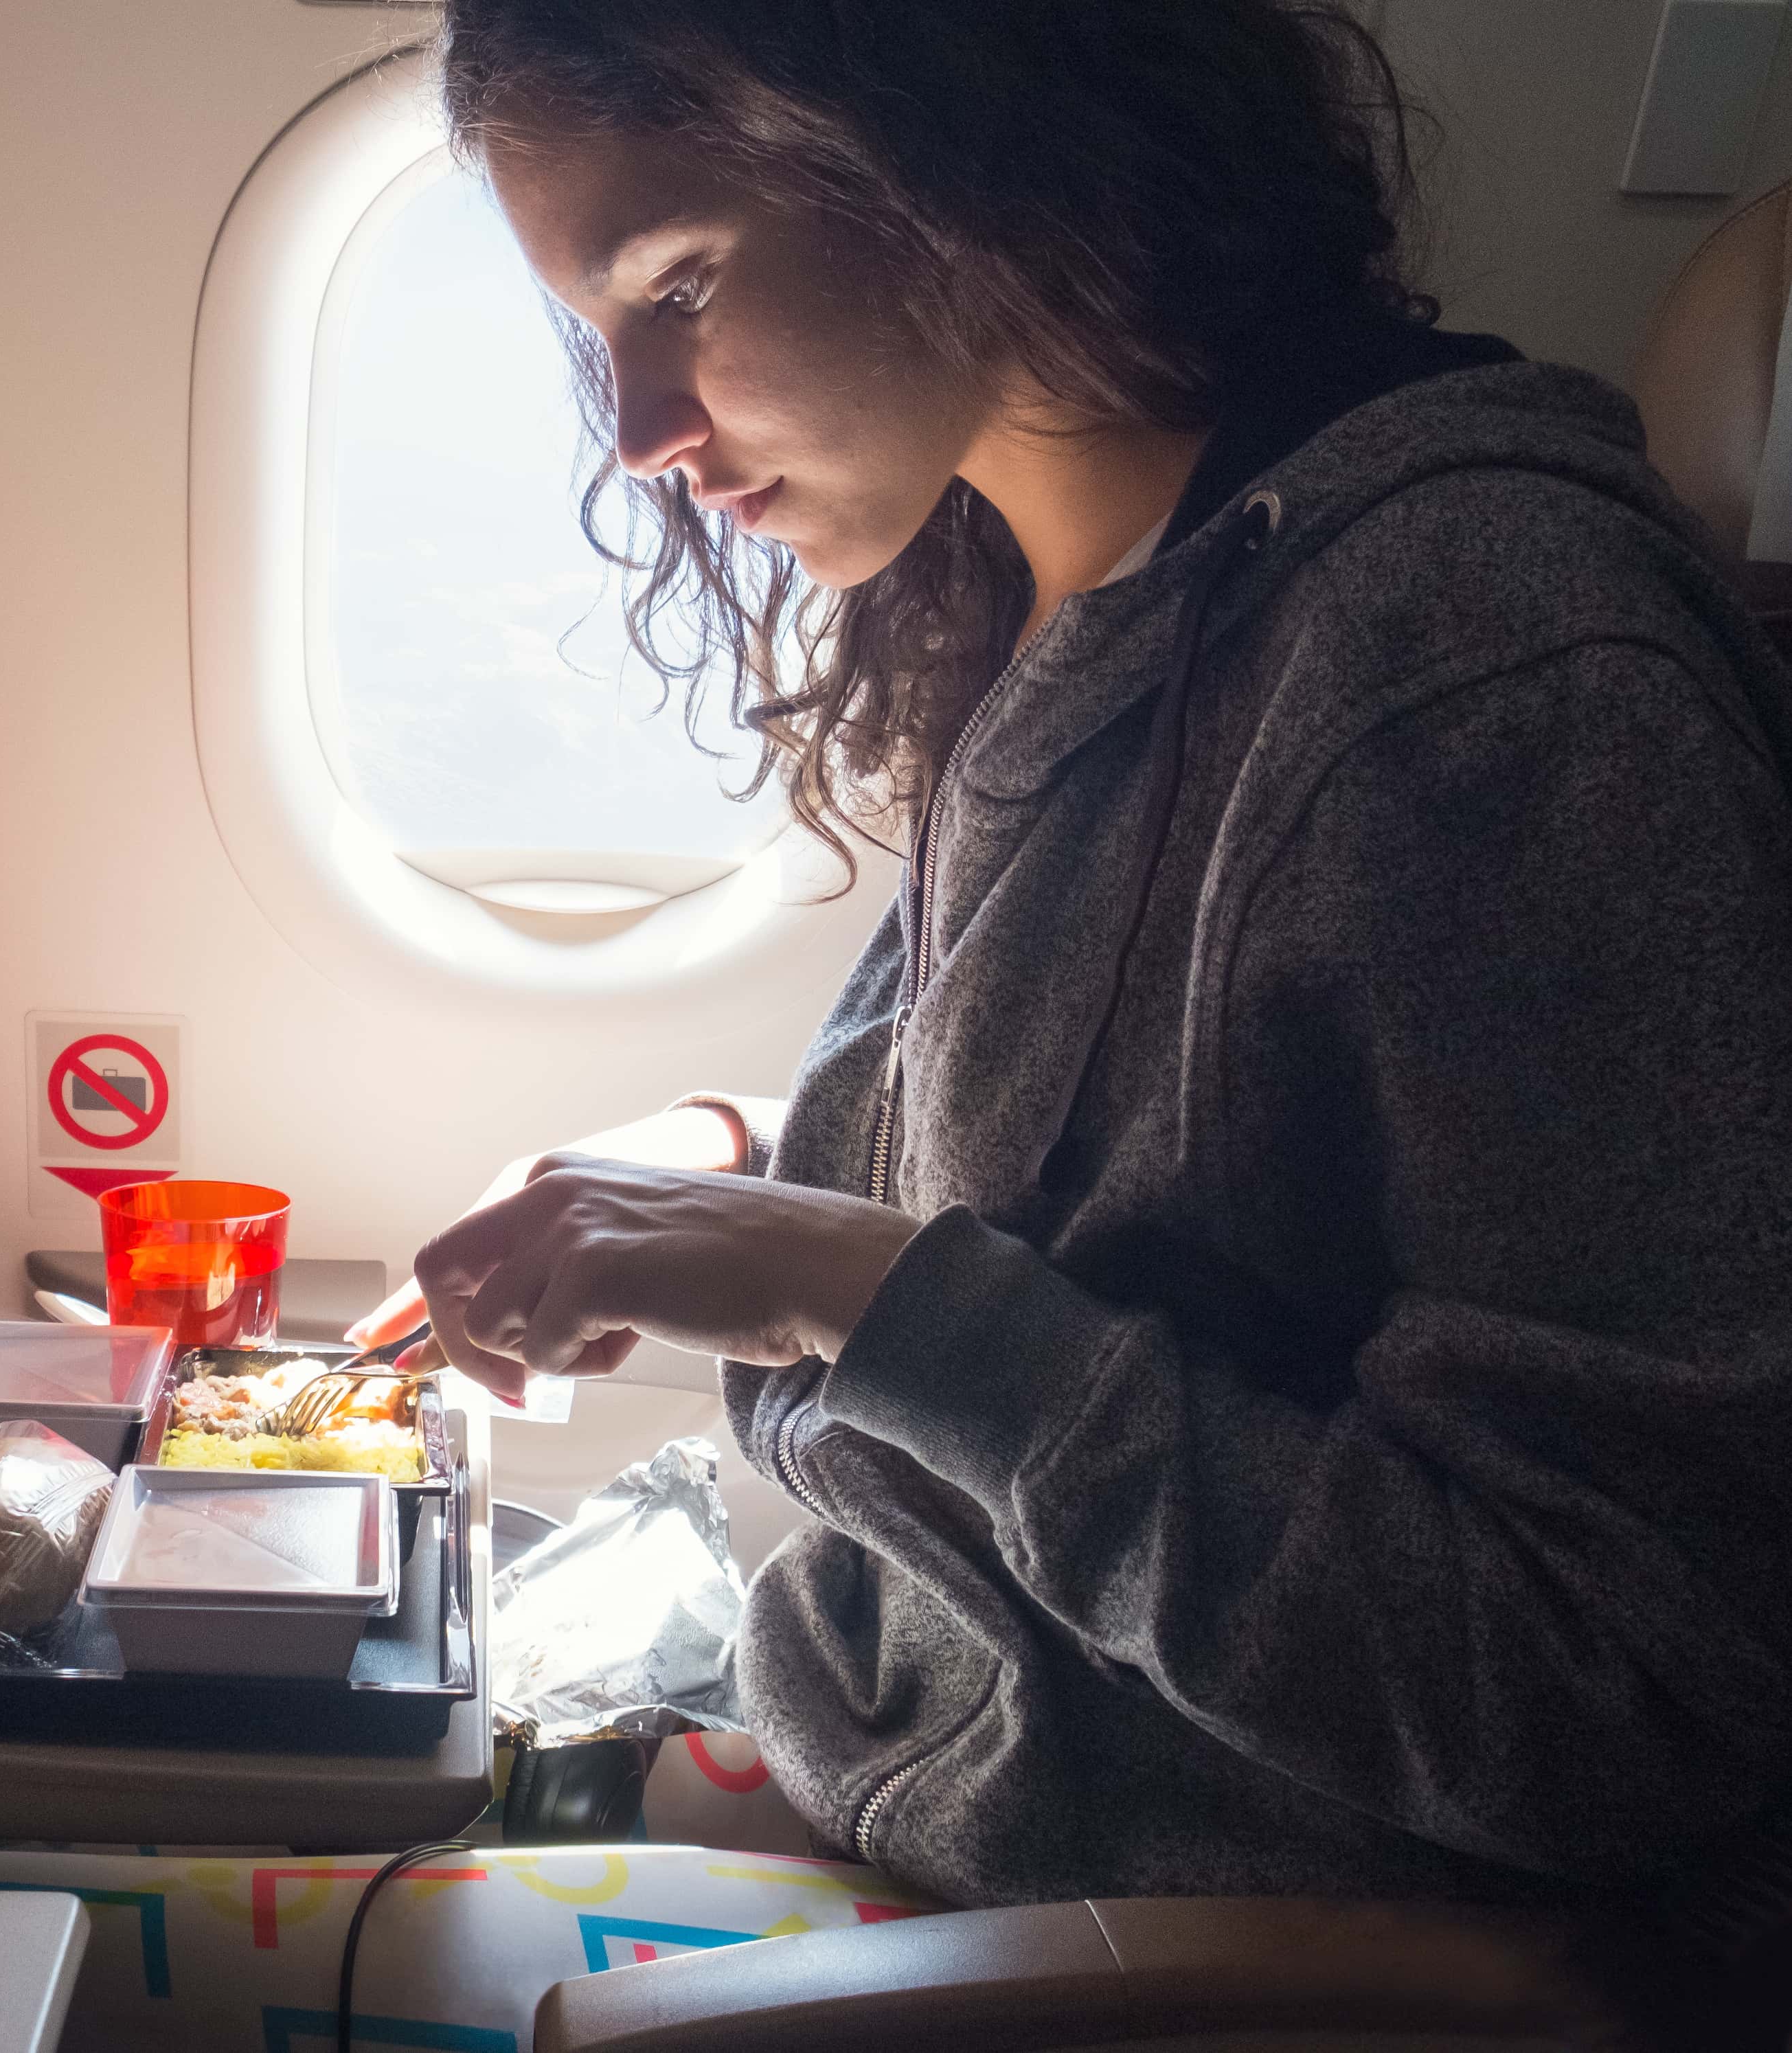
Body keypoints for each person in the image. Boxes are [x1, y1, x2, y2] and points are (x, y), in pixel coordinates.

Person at [353, 0, 1792, 1912]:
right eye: (596, 336)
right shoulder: (1073, 601)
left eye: (678, 286)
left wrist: (850, 1288)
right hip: (925, 1744)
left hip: (1175, 1936)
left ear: (956, 144)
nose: (635, 436)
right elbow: (1173, 1208)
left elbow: (1612, 1696)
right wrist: (735, 1173)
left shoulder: (1475, 680)